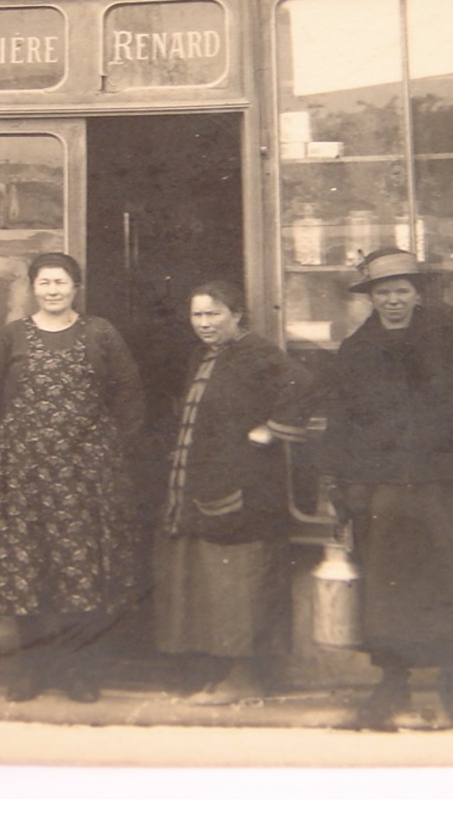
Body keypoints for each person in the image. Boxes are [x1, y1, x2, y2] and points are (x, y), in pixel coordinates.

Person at [320, 248, 453, 729]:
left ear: (416, 293)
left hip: (447, 481)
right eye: (383, 292)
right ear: (370, 297)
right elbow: (340, 424)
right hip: (383, 485)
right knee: (389, 587)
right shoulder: (356, 351)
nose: (393, 301)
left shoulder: (450, 338)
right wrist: (338, 486)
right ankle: (393, 681)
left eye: (402, 291)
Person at [0, 251, 146, 703]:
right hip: (22, 474)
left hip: (86, 476)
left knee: (81, 574)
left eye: (61, 283)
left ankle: (77, 671)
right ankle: (31, 670)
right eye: (45, 283)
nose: (53, 290)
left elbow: (129, 395)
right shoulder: (11, 338)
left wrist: (111, 450)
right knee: (25, 572)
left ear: (75, 288)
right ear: (32, 288)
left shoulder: (99, 333)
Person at [154, 281, 311, 705]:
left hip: (246, 491)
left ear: (237, 314)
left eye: (214, 314)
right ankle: (219, 675)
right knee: (213, 587)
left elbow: (305, 386)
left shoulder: (257, 353)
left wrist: (270, 431)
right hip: (208, 488)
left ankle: (243, 680)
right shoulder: (202, 356)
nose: (204, 324)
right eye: (197, 315)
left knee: (239, 588)